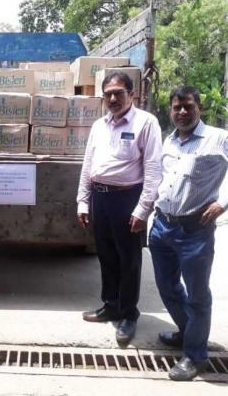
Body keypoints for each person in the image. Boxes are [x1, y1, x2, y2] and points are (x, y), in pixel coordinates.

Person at [76, 71, 162, 346]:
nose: (113, 98)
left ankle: (128, 314)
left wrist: (142, 209)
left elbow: (153, 170)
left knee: (130, 260)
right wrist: (82, 200)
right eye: (108, 94)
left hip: (128, 199)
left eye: (119, 93)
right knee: (106, 256)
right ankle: (110, 305)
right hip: (99, 199)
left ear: (131, 94)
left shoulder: (146, 123)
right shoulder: (99, 125)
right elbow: (88, 165)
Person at [149, 85, 228, 381]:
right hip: (162, 226)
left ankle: (196, 356)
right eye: (177, 107)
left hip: (195, 229)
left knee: (197, 295)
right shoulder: (168, 141)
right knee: (167, 286)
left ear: (199, 108)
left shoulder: (217, 138)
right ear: (170, 110)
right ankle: (187, 332)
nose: (182, 112)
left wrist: (223, 202)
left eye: (188, 106)